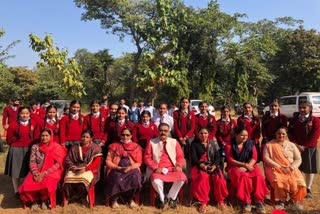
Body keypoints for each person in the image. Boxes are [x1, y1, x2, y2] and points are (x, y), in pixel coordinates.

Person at [18, 128, 67, 209]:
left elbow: (58, 164)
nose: (44, 138)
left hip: (52, 171)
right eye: (42, 136)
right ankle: (35, 200)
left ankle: (44, 199)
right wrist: (35, 173)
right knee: (29, 182)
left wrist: (44, 173)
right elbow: (32, 161)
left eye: (47, 136)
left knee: (48, 181)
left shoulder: (56, 147)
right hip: (37, 170)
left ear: (51, 136)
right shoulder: (35, 147)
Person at [225, 127, 268, 214]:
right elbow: (230, 160)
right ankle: (246, 201)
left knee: (258, 177)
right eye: (242, 135)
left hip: (250, 165)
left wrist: (247, 166)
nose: (244, 137)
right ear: (236, 135)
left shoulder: (250, 143)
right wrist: (243, 165)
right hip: (235, 166)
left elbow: (254, 157)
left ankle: (258, 201)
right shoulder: (229, 145)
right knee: (244, 177)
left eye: (246, 135)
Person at [144, 123, 187, 209]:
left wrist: (178, 165)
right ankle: (162, 198)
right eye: (161, 130)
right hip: (158, 169)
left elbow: (180, 157)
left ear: (168, 132)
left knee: (182, 178)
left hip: (172, 168)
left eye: (165, 131)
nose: (163, 132)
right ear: (158, 131)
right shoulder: (152, 142)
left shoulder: (174, 142)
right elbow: (147, 157)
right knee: (156, 181)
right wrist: (155, 167)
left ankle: (171, 197)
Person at [263, 127, 306, 210]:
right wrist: (279, 167)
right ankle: (280, 201)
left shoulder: (291, 145)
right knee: (278, 181)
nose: (281, 135)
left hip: (290, 168)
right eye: (279, 133)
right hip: (274, 168)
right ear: (275, 134)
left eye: (283, 134)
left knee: (300, 182)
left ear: (286, 135)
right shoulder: (269, 145)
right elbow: (266, 158)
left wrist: (291, 167)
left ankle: (295, 201)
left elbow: (298, 159)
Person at [4, 107, 40, 198]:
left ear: (29, 114)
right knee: (16, 171)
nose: (24, 115)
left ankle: (25, 189)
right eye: (22, 113)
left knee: (28, 171)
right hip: (16, 150)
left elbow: (36, 137)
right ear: (19, 114)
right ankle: (16, 191)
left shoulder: (34, 124)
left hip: (30, 149)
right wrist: (15, 145)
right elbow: (8, 139)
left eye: (27, 113)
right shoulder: (13, 124)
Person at [190, 127, 228, 213]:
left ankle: (220, 201)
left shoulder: (213, 143)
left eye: (205, 133)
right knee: (203, 177)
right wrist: (203, 166)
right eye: (201, 133)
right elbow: (194, 159)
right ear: (198, 134)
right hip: (199, 166)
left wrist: (214, 166)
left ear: (208, 134)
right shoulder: (194, 144)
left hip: (212, 165)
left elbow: (218, 156)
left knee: (219, 179)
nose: (203, 135)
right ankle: (203, 202)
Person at [288, 101, 320, 198]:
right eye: (300, 107)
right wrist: (296, 145)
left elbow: (315, 135)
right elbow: (290, 133)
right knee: (297, 168)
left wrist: (305, 146)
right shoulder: (294, 120)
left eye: (304, 108)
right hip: (296, 147)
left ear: (310, 108)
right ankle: (299, 186)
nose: (301, 110)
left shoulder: (315, 120)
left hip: (310, 148)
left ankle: (308, 188)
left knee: (309, 169)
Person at [63, 129, 103, 206]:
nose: (84, 138)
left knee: (83, 181)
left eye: (87, 137)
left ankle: (82, 197)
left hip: (89, 169)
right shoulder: (75, 147)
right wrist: (73, 167)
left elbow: (96, 162)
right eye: (83, 136)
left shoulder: (96, 148)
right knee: (67, 181)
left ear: (91, 138)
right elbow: (68, 159)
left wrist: (85, 169)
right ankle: (68, 198)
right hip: (75, 168)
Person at [105, 128, 142, 209]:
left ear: (131, 136)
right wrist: (117, 167)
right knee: (117, 179)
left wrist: (130, 168)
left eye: (127, 135)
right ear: (120, 135)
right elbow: (108, 161)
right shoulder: (114, 146)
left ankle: (130, 199)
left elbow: (139, 162)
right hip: (116, 168)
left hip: (131, 168)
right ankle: (114, 200)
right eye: (123, 135)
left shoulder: (136, 147)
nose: (125, 137)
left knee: (136, 177)